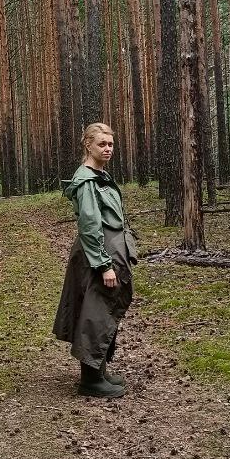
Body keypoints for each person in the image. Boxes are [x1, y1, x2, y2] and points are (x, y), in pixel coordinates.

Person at [53, 123, 138, 399]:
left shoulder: (100, 175)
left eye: (111, 144)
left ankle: (98, 370)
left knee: (103, 310)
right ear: (88, 145)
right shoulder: (87, 180)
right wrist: (103, 265)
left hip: (109, 250)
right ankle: (90, 379)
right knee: (95, 313)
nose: (108, 149)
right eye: (102, 144)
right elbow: (90, 226)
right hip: (98, 254)